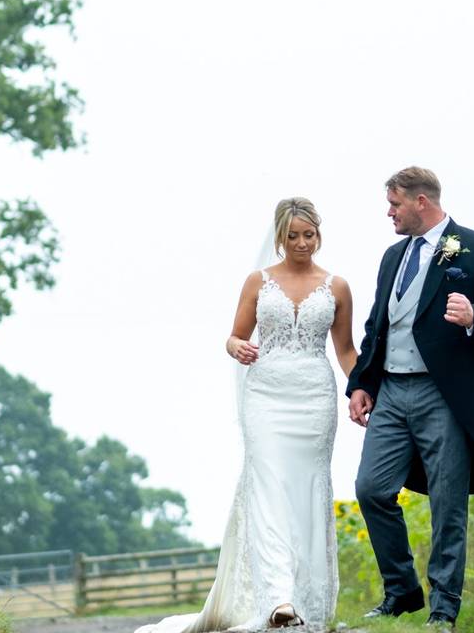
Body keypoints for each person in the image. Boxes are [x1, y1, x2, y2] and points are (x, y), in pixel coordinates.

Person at [136, 197, 357, 633]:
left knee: (307, 492)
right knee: (269, 489)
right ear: (279, 237)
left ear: (319, 234)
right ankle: (278, 598)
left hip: (314, 397)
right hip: (266, 397)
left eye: (308, 235)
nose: (300, 243)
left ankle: (307, 595)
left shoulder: (337, 287)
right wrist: (236, 346)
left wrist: (363, 388)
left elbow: (346, 351)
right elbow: (235, 337)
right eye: (291, 236)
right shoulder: (258, 282)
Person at [347, 167, 474, 630]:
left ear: (421, 201)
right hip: (391, 389)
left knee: (447, 502)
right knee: (371, 488)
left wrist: (473, 315)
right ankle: (402, 592)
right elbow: (376, 328)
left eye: (394, 204)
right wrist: (361, 383)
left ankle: (444, 607)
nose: (389, 212)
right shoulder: (391, 257)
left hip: (445, 394)